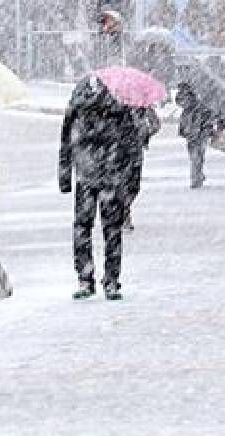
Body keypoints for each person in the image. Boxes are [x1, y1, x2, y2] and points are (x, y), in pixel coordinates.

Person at [59, 77, 146, 300]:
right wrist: (132, 180)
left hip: (85, 177)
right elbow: (132, 147)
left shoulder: (76, 108)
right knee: (112, 230)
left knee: (82, 228)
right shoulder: (119, 109)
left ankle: (85, 278)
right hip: (111, 176)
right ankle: (111, 280)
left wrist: (65, 177)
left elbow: (66, 145)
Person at [177, 79, 225, 189]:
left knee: (197, 155)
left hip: (198, 132)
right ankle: (197, 175)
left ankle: (196, 177)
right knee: (196, 155)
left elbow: (208, 115)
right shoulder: (189, 104)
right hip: (194, 132)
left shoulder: (198, 104)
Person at [123, 104, 162, 232]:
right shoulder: (114, 104)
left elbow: (156, 124)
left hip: (134, 151)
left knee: (133, 185)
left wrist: (146, 134)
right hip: (120, 151)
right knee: (125, 184)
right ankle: (124, 213)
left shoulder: (144, 106)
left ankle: (124, 208)